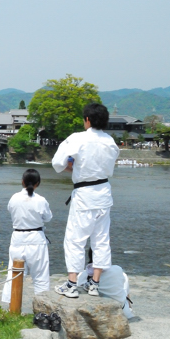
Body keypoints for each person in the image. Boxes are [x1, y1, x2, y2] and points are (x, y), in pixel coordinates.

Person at [52, 103, 120, 298]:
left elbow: (57, 162)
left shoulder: (77, 138)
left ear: (87, 120)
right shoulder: (110, 142)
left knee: (75, 239)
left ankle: (72, 284)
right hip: (104, 192)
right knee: (101, 239)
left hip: (84, 194)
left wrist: (72, 167)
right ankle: (94, 283)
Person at [2, 169, 53, 302]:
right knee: (40, 275)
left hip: (18, 237)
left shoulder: (14, 198)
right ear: (37, 183)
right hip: (36, 237)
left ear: (22, 182)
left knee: (14, 274)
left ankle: (10, 305)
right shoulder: (41, 200)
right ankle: (43, 306)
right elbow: (48, 218)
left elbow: (10, 210)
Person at [77, 249, 134, 318]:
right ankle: (129, 308)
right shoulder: (118, 270)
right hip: (122, 313)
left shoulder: (83, 274)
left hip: (94, 313)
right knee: (124, 281)